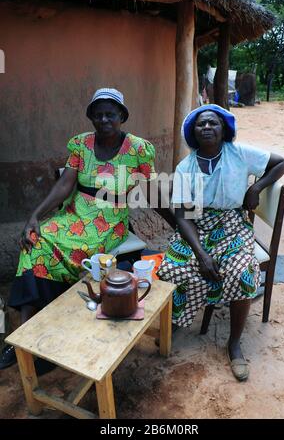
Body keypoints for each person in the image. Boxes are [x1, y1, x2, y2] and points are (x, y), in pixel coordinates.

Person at [0, 88, 175, 371]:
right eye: (99, 114)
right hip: (75, 213)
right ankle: (23, 336)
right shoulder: (81, 145)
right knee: (36, 241)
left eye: (111, 114)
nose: (104, 119)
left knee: (71, 249)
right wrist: (35, 216)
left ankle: (57, 323)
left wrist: (177, 224)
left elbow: (154, 193)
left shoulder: (140, 150)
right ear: (92, 117)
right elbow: (65, 185)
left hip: (108, 222)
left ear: (122, 116)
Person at [157, 104, 284, 381]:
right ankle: (183, 315)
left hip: (232, 224)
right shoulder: (186, 167)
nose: (207, 127)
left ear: (224, 129)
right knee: (171, 268)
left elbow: (281, 164)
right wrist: (202, 254)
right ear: (193, 132)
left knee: (241, 271)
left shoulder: (240, 154)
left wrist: (256, 187)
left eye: (213, 123)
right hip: (197, 227)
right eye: (200, 124)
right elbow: (182, 216)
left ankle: (234, 344)